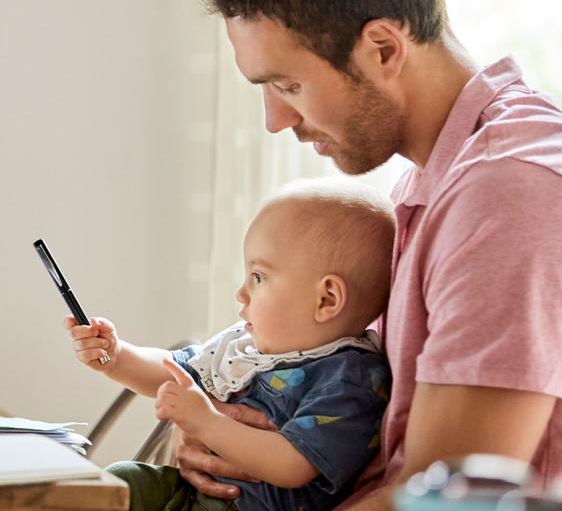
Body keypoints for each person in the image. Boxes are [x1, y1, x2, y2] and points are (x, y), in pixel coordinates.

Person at [176, 0, 562, 509]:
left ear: (382, 47)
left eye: (288, 85)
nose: (276, 120)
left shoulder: (512, 197)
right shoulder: (444, 178)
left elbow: (441, 503)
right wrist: (239, 445)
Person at [69, 178, 395, 511]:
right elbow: (174, 370)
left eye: (258, 277)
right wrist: (117, 355)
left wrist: (208, 422)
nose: (241, 293)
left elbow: (292, 465)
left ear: (326, 299)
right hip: (193, 493)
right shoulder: (248, 343)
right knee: (121, 479)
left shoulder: (350, 379)